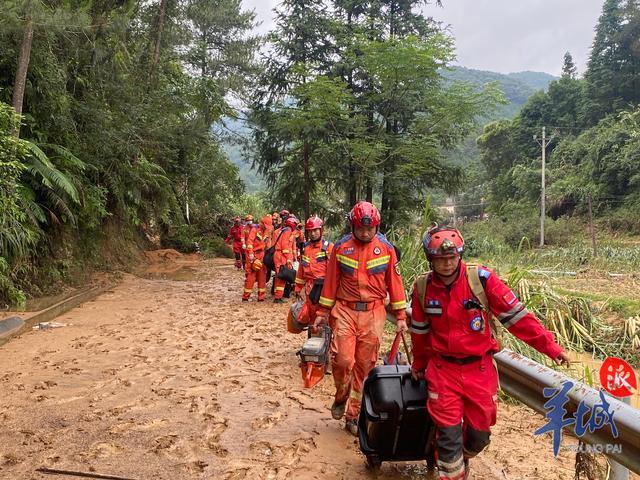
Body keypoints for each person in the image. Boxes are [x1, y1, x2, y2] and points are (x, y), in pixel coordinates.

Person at [410, 226, 571, 480]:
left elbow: (518, 319)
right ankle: (450, 466)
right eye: (440, 260)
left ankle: (454, 457)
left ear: (460, 255)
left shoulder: (482, 281)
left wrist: (551, 347)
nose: (447, 264)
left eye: (452, 258)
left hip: (479, 370)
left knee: (478, 437)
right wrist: (418, 363)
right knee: (449, 436)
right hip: (443, 371)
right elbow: (419, 333)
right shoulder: (422, 288)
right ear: (431, 260)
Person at [314, 201, 408, 436]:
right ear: (353, 226)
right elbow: (330, 282)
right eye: (361, 229)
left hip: (374, 313)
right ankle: (341, 395)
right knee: (343, 361)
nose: (366, 233)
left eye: (370, 229)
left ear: (376, 226)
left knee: (365, 367)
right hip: (345, 311)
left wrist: (400, 316)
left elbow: (395, 284)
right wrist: (322, 313)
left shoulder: (386, 249)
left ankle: (353, 415)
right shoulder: (341, 247)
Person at [294, 215, 334, 326]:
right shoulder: (305, 248)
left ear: (321, 230)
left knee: (325, 316)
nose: (312, 233)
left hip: (324, 288)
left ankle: (326, 340)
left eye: (315, 230)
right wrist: (298, 287)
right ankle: (312, 337)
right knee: (310, 316)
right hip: (309, 288)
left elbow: (335, 272)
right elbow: (301, 270)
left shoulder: (329, 247)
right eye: (310, 231)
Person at [242, 215, 273, 302]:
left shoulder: (267, 231)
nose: (266, 228)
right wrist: (251, 254)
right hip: (254, 255)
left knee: (262, 276)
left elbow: (268, 243)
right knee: (251, 276)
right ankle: (245, 297)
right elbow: (249, 242)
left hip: (262, 255)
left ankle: (261, 297)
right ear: (261, 223)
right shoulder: (255, 229)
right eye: (265, 226)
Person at [273, 216, 298, 303]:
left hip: (280, 255)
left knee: (279, 276)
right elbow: (285, 246)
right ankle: (278, 297)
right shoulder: (287, 231)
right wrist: (288, 259)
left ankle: (278, 296)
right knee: (281, 277)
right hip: (281, 256)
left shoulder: (285, 230)